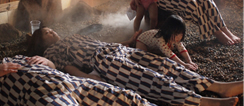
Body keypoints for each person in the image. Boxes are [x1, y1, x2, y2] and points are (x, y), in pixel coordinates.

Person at [27, 26, 242, 106]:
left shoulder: (72, 36)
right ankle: (201, 101)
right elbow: (66, 68)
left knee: (163, 63)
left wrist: (129, 42)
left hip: (115, 50)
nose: (53, 31)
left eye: (51, 29)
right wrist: (92, 79)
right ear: (41, 41)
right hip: (102, 62)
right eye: (47, 32)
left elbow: (103, 43)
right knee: (148, 78)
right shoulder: (51, 51)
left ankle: (217, 86)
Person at [0, 42, 156, 106]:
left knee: (129, 98)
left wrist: (48, 63)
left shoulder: (17, 57)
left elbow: (53, 67)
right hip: (45, 96)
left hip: (73, 83)